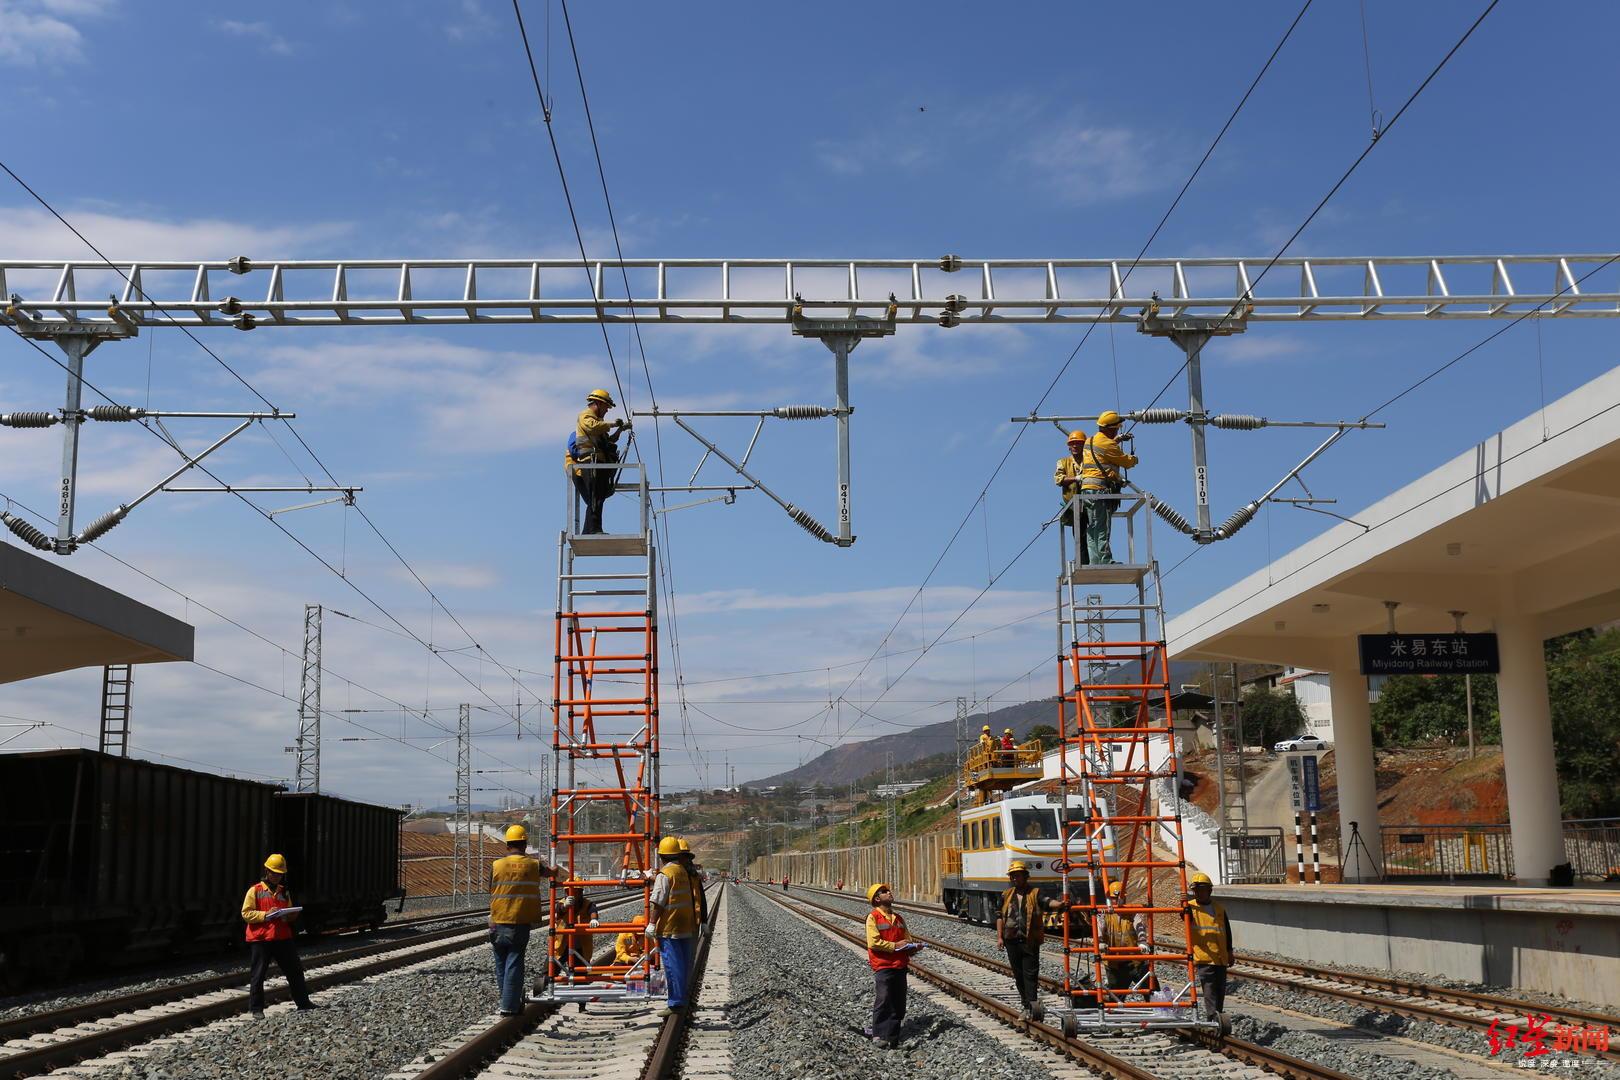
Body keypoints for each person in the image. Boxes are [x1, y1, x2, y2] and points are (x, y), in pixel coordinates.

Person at [490, 824, 557, 1017]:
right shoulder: (533, 865)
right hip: (519, 920)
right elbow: (551, 872)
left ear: (507, 845)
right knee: (514, 961)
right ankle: (509, 1007)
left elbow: (491, 888)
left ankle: (506, 1000)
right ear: (525, 844)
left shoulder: (497, 865)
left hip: (496, 920)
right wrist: (551, 865)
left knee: (501, 962)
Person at [241, 853, 315, 1018]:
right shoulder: (255, 890)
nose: (276, 876)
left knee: (295, 971)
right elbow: (246, 914)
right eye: (274, 872)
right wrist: (265, 915)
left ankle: (303, 1003)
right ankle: (256, 1009)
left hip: (282, 937)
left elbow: (287, 911)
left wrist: (291, 915)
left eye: (279, 873)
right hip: (261, 939)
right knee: (258, 975)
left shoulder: (284, 892)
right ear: (267, 871)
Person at [995, 861, 1067, 1022]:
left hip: (1030, 941)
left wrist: (1060, 904)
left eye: (1017, 875)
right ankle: (1026, 1005)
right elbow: (999, 916)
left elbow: (1047, 902)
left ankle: (1032, 1007)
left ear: (1025, 876)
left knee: (1030, 975)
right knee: (1018, 975)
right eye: (1012, 876)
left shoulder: (1035, 893)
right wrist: (1000, 937)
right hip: (1011, 940)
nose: (1014, 878)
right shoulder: (1006, 895)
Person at [865, 882, 922, 1049]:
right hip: (883, 965)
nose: (889, 893)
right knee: (883, 999)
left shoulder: (899, 918)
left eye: (888, 890)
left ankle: (893, 1037)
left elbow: (907, 939)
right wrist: (896, 946)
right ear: (877, 898)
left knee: (898, 1002)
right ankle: (879, 1035)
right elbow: (873, 942)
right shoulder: (873, 917)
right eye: (884, 892)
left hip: (899, 965)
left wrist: (913, 948)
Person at [565, 388, 630, 534]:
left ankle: (589, 530)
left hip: (598, 463)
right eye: (606, 407)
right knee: (595, 497)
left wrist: (620, 430)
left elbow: (608, 440)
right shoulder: (585, 416)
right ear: (598, 404)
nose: (607, 411)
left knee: (598, 497)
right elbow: (592, 428)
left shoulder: (599, 422)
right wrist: (613, 424)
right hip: (589, 462)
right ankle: (594, 529)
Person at [648, 836, 700, 1017]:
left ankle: (675, 1003)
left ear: (661, 855)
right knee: (684, 964)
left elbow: (658, 901)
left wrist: (652, 923)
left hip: (670, 926)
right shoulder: (682, 872)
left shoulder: (665, 874)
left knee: (672, 965)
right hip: (686, 924)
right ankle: (683, 997)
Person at [1080, 410, 1139, 565]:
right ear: (1110, 429)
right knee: (1103, 526)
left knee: (1093, 527)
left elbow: (1103, 449)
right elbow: (1126, 462)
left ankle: (1095, 560)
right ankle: (1105, 560)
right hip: (1099, 490)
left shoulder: (1090, 441)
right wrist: (1134, 459)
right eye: (1116, 429)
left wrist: (1118, 440)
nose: (1117, 431)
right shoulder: (1108, 444)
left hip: (1087, 489)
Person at [1186, 871, 1233, 1023]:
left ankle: (1218, 1015)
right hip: (1203, 956)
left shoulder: (1219, 909)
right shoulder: (1190, 908)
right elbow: (1183, 916)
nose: (1199, 893)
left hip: (1220, 957)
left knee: (1220, 989)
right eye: (1197, 890)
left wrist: (1230, 951)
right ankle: (1212, 1017)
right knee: (1209, 989)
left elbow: (1227, 931)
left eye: (1202, 890)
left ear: (1209, 891)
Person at [1100, 880, 1150, 1001]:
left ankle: (1158, 1009)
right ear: (1109, 899)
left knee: (1150, 989)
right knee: (1116, 996)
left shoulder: (1132, 912)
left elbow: (1140, 927)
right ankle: (1114, 1017)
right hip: (1114, 962)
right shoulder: (1105, 914)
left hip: (1135, 961)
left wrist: (1143, 941)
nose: (1118, 901)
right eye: (1114, 898)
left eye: (1121, 898)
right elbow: (1099, 928)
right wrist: (1100, 941)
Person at [552, 872, 599, 978]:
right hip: (562, 944)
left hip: (580, 945)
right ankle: (547, 984)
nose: (572, 893)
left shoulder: (588, 904)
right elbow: (558, 911)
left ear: (581, 892)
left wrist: (594, 919)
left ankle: (578, 983)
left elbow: (593, 911)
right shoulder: (561, 903)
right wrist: (564, 906)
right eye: (569, 891)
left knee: (580, 973)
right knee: (550, 969)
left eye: (575, 891)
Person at [1054, 429, 1089, 565]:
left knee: (1094, 531)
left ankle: (1093, 557)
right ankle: (1082, 559)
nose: (1075, 446)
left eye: (1078, 443)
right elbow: (1058, 479)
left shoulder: (1090, 461)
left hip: (1090, 502)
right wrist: (1076, 478)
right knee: (1079, 532)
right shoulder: (1063, 462)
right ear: (1069, 446)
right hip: (1073, 505)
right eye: (1072, 444)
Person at [675, 839, 708, 927]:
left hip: (689, 923)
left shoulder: (694, 876)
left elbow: (701, 898)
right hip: (674, 924)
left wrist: (704, 921)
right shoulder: (671, 874)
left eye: (684, 857)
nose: (683, 860)